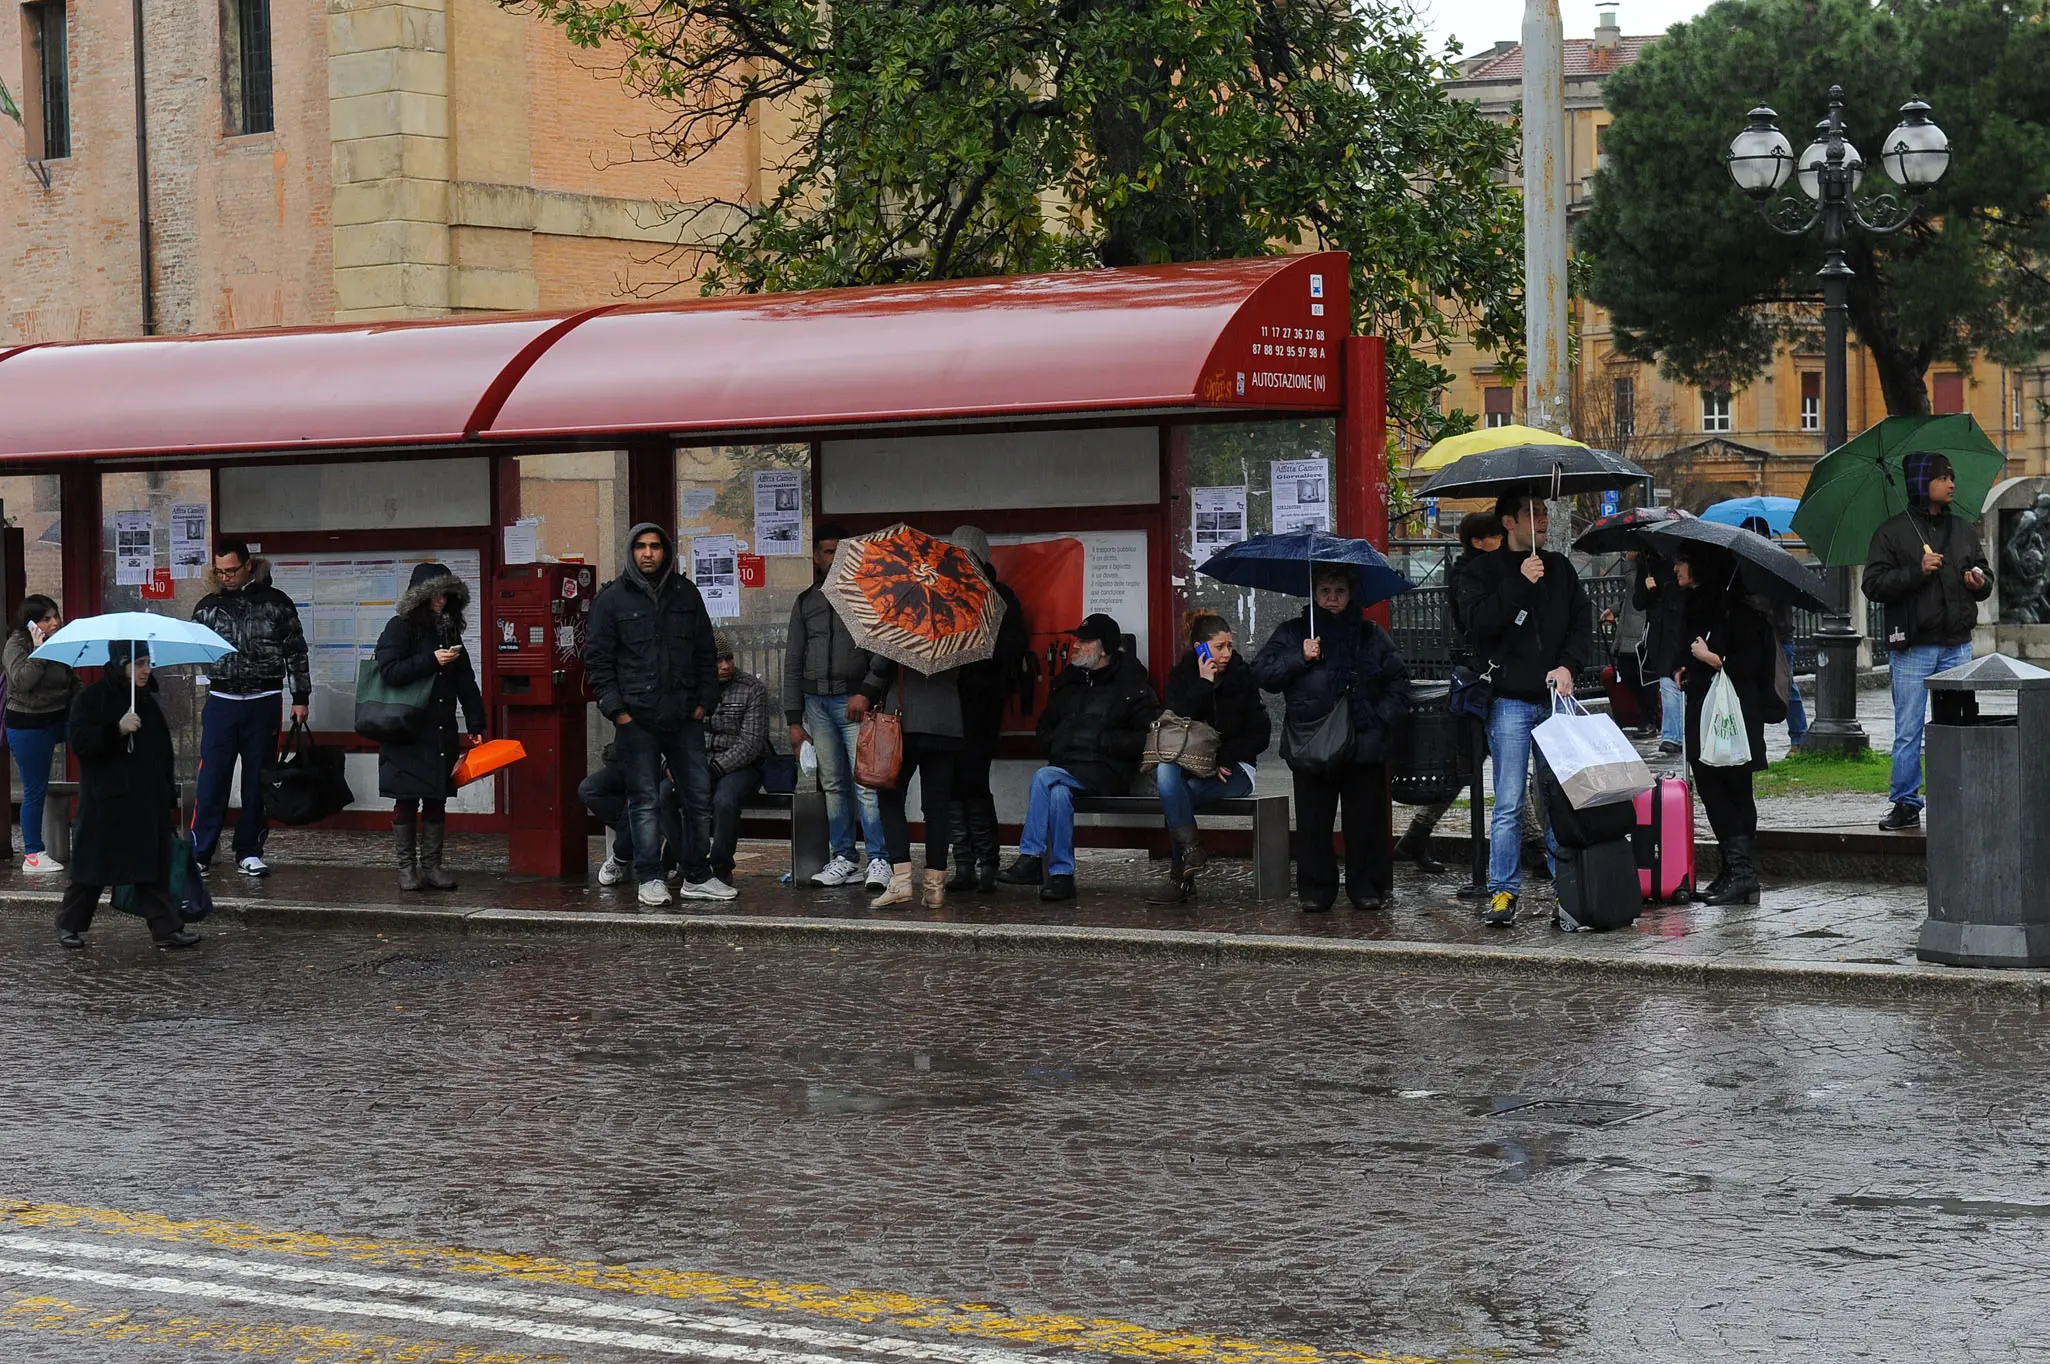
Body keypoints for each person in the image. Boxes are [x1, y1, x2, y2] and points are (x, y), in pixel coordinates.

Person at [1458, 490, 1593, 927]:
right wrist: (1520, 581)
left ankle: (1565, 890)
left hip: (1554, 698)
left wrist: (1569, 665)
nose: (1542, 520)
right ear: (1508, 522)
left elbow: (1580, 621)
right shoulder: (1482, 571)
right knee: (1510, 801)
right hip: (1510, 701)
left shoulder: (1559, 567)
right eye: (1531, 513)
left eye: (1545, 512)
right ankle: (1503, 892)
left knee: (1557, 799)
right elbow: (1478, 626)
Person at [1254, 566, 1412, 912]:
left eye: (1339, 591)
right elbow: (1263, 673)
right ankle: (1315, 889)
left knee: (1365, 821)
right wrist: (1300, 657)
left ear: (1351, 593)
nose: (1331, 598)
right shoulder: (1295, 633)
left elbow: (1399, 681)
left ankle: (1367, 886)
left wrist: (1380, 718)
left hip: (1364, 741)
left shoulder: (1371, 635)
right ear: (1313, 592)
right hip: (1313, 740)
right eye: (1325, 590)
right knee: (1313, 821)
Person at [586, 523, 725, 907]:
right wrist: (617, 711)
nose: (648, 553)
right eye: (641, 547)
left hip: (684, 716)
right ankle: (651, 877)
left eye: (655, 547)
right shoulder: (612, 599)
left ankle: (697, 875)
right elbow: (598, 661)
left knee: (698, 798)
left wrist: (703, 702)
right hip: (637, 718)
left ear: (666, 551)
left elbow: (704, 653)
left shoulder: (686, 594)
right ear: (631, 551)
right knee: (644, 800)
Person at [1863, 450, 1993, 831]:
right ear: (1921, 483)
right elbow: (1872, 584)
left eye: (1952, 476)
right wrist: (1915, 572)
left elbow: (1984, 574)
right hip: (1914, 647)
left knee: (1956, 724)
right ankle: (1905, 803)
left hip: (1957, 645)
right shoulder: (1892, 532)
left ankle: (1958, 795)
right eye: (1942, 477)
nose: (1951, 483)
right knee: (1909, 728)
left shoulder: (1964, 529)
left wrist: (1980, 582)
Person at [998, 613, 1160, 901]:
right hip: (1069, 769)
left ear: (1104, 649)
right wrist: (1058, 743)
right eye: (1078, 640)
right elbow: (1045, 727)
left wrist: (1101, 742)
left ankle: (1031, 857)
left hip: (1108, 771)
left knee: (1044, 776)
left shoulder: (1131, 686)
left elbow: (1146, 736)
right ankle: (1061, 876)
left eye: (1085, 641)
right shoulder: (1067, 683)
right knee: (1058, 794)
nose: (1076, 646)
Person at [54, 642, 199, 950]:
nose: (147, 670)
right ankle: (69, 923)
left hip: (146, 801)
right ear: (122, 664)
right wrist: (115, 730)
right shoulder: (92, 699)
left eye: (148, 663)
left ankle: (166, 929)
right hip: (107, 800)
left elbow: (161, 752)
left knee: (150, 868)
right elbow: (80, 742)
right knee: (92, 870)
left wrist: (166, 795)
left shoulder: (146, 700)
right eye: (139, 663)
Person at [190, 537, 311, 876]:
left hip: (264, 699)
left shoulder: (276, 603)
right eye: (220, 571)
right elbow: (197, 648)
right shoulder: (208, 606)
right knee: (212, 778)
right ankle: (201, 851)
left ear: (247, 566)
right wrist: (215, 673)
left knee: (258, 780)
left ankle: (249, 850)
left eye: (231, 570)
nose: (226, 576)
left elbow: (296, 652)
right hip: (222, 700)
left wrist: (300, 697)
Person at [784, 521, 889, 893]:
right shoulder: (805, 602)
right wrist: (793, 719)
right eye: (828, 552)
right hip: (816, 705)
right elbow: (793, 659)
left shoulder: (865, 596)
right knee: (833, 784)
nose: (834, 558)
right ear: (816, 557)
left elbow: (883, 649)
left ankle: (880, 859)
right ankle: (844, 856)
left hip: (854, 704)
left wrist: (867, 691)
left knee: (867, 784)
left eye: (840, 551)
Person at [1673, 544, 1782, 904]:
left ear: (1702, 566)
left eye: (1683, 560)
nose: (1676, 567)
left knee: (1731, 789)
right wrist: (1685, 665)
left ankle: (1742, 874)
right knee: (1717, 789)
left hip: (1733, 715)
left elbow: (1751, 663)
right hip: (1707, 709)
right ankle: (1733, 870)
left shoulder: (1739, 610)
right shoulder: (1699, 605)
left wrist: (1714, 659)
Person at [1394, 511, 1501, 872]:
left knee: (1471, 765)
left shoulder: (1485, 571)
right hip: (1479, 681)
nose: (1501, 540)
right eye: (1494, 535)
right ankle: (1533, 843)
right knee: (1498, 759)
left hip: (1483, 679)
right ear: (1477, 541)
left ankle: (1415, 836)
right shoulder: (1470, 576)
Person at [373, 563, 485, 892]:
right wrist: (431, 660)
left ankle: (432, 866)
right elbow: (389, 671)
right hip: (406, 729)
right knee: (406, 798)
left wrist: (476, 722)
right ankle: (407, 869)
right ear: (420, 597)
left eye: (446, 594)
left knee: (437, 797)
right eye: (434, 594)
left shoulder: (450, 630)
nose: (441, 600)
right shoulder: (400, 627)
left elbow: (466, 681)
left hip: (440, 730)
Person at [1149, 613, 1271, 903]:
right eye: (1219, 647)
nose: (1227, 653)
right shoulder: (1182, 677)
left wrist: (1224, 758)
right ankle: (1192, 853)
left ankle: (1181, 875)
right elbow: (1175, 723)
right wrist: (1204, 684)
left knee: (1179, 795)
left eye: (1229, 645)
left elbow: (1260, 734)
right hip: (1193, 765)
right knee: (1167, 772)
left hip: (1234, 769)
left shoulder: (1242, 676)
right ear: (1199, 648)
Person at [943, 525, 1028, 894]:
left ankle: (987, 863)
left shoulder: (1001, 597)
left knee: (974, 784)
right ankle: (963, 863)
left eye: (967, 554)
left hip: (981, 705)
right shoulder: (943, 596)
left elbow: (1011, 651)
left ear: (979, 556)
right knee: (950, 787)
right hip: (946, 705)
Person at [854, 656, 963, 908]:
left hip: (905, 723)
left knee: (890, 798)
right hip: (946, 724)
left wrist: (865, 690)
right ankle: (935, 888)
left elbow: (882, 665)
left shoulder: (904, 624)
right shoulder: (959, 627)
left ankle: (901, 880)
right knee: (938, 809)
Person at [5, 594, 78, 873]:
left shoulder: (59, 639)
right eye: (47, 619)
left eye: (55, 616)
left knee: (100, 746)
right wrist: (39, 651)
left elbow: (71, 678)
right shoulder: (17, 644)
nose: (54, 622)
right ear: (31, 623)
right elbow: (23, 681)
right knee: (35, 788)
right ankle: (33, 854)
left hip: (58, 717)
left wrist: (84, 708)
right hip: (28, 723)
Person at [703, 633, 770, 888]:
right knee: (667, 794)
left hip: (742, 766)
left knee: (725, 800)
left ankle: (720, 866)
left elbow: (751, 744)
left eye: (728, 658)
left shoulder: (751, 689)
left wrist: (714, 769)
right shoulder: (693, 688)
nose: (725, 665)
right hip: (701, 762)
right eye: (718, 660)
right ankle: (679, 858)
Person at [581, 743, 680, 886]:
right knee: (589, 789)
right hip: (631, 758)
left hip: (661, 765)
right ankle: (646, 832)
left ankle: (621, 855)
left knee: (640, 794)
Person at [1636, 549, 1689, 757]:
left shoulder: (1678, 565)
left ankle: (1674, 735)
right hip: (1660, 635)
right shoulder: (1646, 566)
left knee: (1671, 682)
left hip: (1678, 631)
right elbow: (1638, 602)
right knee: (1667, 682)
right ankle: (1672, 735)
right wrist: (1649, 590)